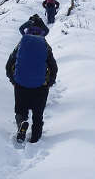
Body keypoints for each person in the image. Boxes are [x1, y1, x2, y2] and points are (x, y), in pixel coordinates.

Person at [6, 14, 58, 143]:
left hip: (21, 85)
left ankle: (22, 123)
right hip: (40, 86)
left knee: (20, 110)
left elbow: (9, 65)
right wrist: (49, 83)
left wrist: (14, 80)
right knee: (38, 115)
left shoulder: (22, 44)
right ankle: (35, 139)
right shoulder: (45, 45)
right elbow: (53, 67)